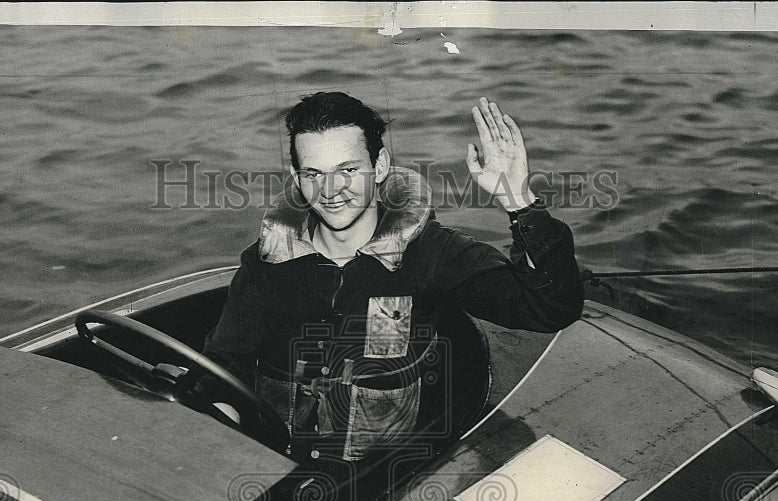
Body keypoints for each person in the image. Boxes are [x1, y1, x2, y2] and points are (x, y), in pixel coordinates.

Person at [201, 92, 585, 461]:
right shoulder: (265, 262)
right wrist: (219, 431)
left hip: (381, 478)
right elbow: (227, 361)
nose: (331, 190)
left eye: (348, 170)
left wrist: (518, 200)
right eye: (313, 173)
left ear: (380, 166)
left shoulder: (434, 254)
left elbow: (550, 309)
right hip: (275, 460)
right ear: (296, 177)